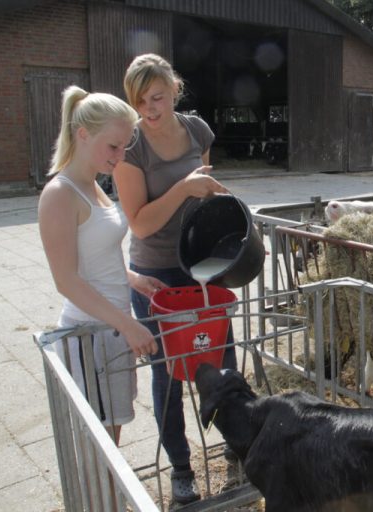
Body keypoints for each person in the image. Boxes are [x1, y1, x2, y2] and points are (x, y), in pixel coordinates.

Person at [114, 53, 238, 506]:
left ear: (174, 90)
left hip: (198, 261)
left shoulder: (197, 131)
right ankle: (182, 469)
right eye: (141, 100)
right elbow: (141, 223)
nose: (150, 108)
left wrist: (224, 214)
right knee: (169, 373)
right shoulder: (130, 148)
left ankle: (236, 444)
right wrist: (183, 187)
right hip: (155, 275)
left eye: (158, 97)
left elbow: (204, 188)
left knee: (221, 355)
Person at [38, 86, 163, 445]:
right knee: (99, 444)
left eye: (125, 146)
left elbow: (96, 257)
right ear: (82, 133)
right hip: (90, 333)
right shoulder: (61, 194)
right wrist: (128, 325)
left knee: (112, 435)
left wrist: (133, 278)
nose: (120, 155)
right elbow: (66, 280)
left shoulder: (94, 186)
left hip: (111, 328)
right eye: (114, 146)